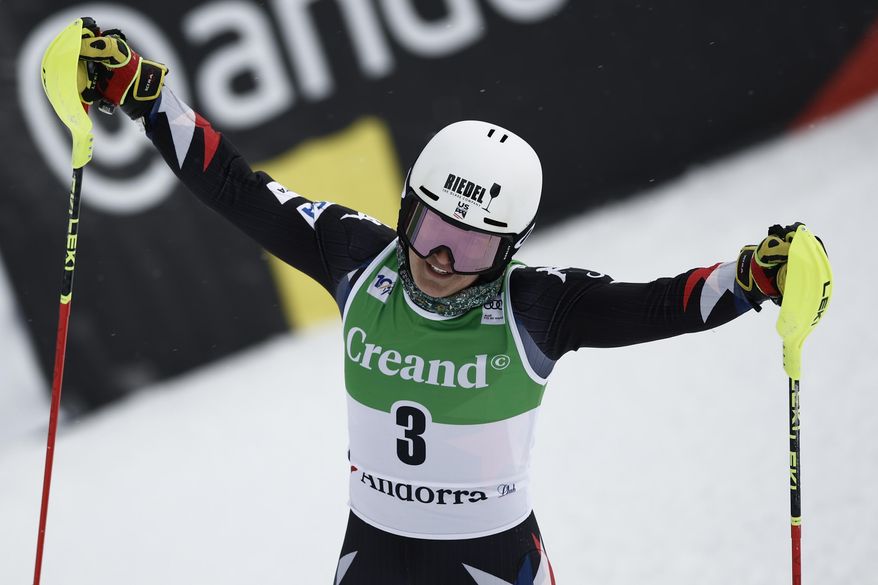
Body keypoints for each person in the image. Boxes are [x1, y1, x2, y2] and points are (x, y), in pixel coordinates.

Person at [76, 19, 810, 584]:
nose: (438, 259)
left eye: (472, 248)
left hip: (490, 556)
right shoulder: (356, 255)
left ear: (511, 249)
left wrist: (754, 277)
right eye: (428, 229)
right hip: (375, 549)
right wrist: (145, 96)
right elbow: (235, 185)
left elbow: (660, 305)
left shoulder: (538, 306)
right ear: (404, 209)